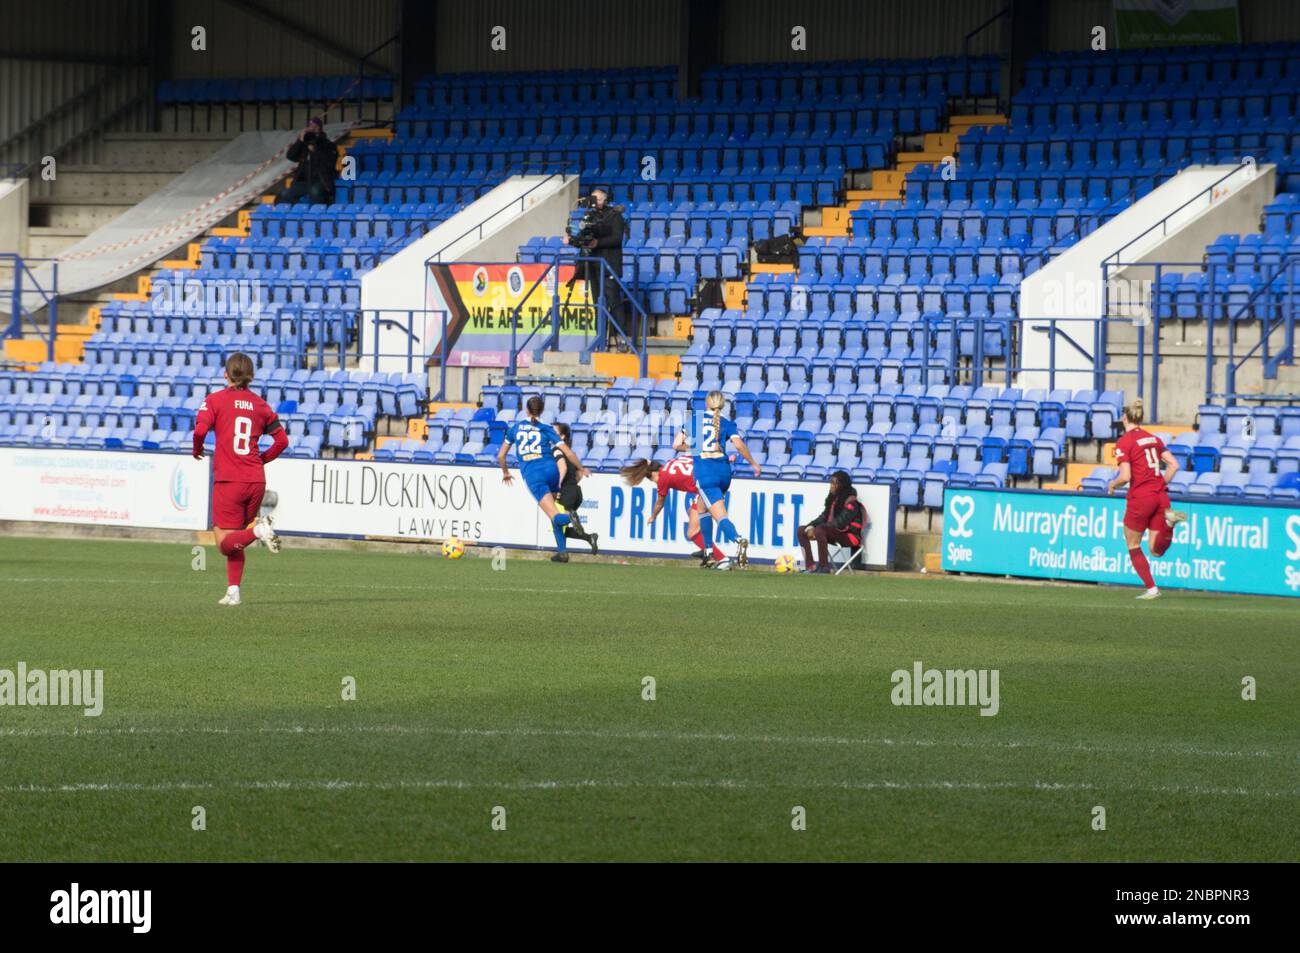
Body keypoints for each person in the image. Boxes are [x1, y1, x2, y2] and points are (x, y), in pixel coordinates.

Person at [192, 352, 289, 605]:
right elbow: (282, 441)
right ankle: (233, 591)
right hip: (255, 481)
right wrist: (261, 460)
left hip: (229, 480)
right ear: (251, 377)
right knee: (236, 540)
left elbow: (201, 429)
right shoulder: (261, 405)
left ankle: (260, 529)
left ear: (226, 374)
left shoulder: (215, 400)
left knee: (224, 544)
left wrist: (196, 449)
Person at [1107, 398, 1188, 600]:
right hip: (1160, 496)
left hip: (1141, 496)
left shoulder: (1124, 442)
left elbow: (1125, 477)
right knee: (1155, 550)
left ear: (1124, 418)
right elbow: (1174, 465)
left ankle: (1152, 589)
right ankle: (1169, 523)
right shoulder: (1153, 439)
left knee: (1133, 544)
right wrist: (1161, 483)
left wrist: (1112, 484)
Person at [673, 390, 760, 571]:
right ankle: (708, 552)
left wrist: (693, 447)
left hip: (706, 473)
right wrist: (753, 463)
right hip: (724, 472)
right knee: (702, 507)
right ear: (722, 405)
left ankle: (738, 539)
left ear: (707, 404)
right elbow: (738, 444)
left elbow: (676, 445)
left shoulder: (695, 421)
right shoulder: (727, 423)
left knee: (719, 515)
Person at [499, 397, 589, 563]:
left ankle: (571, 518)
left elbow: (501, 455)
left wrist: (505, 472)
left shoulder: (515, 429)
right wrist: (581, 468)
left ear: (526, 410)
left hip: (534, 475)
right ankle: (562, 552)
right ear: (541, 411)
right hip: (551, 470)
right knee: (553, 513)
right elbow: (568, 453)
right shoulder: (547, 428)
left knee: (555, 515)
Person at [619, 456, 725, 567]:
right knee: (693, 513)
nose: (653, 482)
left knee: (692, 532)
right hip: (715, 478)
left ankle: (722, 558)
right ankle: (706, 551)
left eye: (651, 479)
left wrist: (653, 516)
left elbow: (660, 503)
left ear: (654, 473)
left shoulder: (663, 478)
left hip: (705, 488)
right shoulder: (671, 462)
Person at [564, 187, 630, 345]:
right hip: (592, 267)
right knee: (596, 303)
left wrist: (597, 243)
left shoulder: (615, 216)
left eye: (599, 199)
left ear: (605, 200)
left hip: (609, 266)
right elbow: (583, 240)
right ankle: (599, 336)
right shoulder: (588, 216)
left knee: (614, 302)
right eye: (593, 199)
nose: (595, 202)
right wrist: (571, 240)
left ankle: (620, 337)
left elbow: (617, 238)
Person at [797, 470, 868, 574]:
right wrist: (810, 526)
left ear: (842, 485)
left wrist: (817, 529)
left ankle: (824, 567)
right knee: (801, 530)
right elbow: (823, 517)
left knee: (820, 529)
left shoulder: (851, 501)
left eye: (835, 483)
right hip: (832, 532)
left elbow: (840, 522)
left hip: (849, 536)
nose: (832, 486)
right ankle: (810, 566)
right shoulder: (833, 499)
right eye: (831, 482)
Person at [553, 422, 599, 555]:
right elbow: (578, 474)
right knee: (560, 526)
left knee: (558, 522)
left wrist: (558, 487)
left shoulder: (557, 450)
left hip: (566, 492)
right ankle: (589, 538)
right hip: (576, 492)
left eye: (554, 432)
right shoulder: (569, 452)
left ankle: (563, 553)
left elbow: (563, 468)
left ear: (562, 436)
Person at [278, 117, 339, 206]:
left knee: (315, 191)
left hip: (322, 180)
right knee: (285, 194)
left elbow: (329, 163)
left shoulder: (328, 145)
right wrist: (300, 141)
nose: (313, 128)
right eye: (310, 126)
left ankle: (317, 215)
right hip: (304, 181)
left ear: (320, 129)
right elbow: (291, 156)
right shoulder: (305, 145)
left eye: (315, 126)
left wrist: (315, 151)